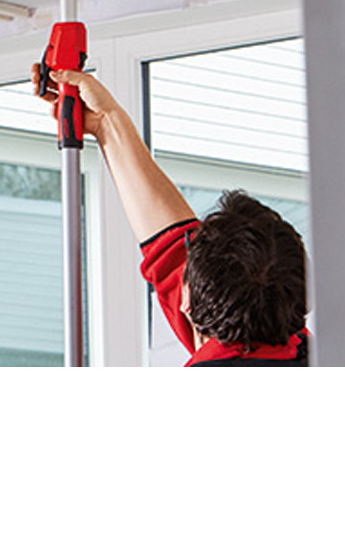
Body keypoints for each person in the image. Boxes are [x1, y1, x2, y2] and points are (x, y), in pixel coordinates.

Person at [35, 63, 310, 366]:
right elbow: (168, 246)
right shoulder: (311, 351)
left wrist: (108, 120)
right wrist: (106, 122)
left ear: (187, 299)